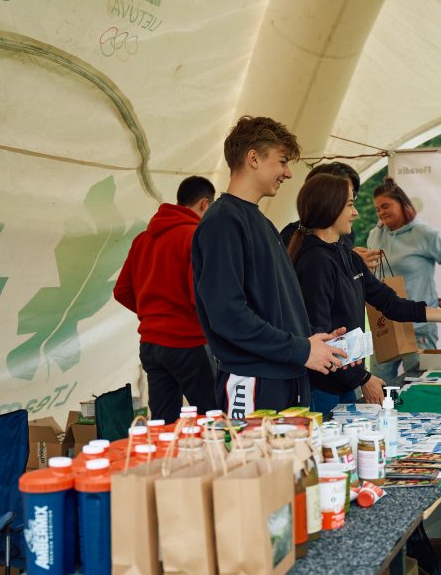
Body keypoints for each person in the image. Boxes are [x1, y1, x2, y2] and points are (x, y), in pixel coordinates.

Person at [289, 173, 441, 412]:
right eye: (350, 205)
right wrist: (363, 378)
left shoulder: (347, 255)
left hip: (344, 381)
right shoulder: (315, 262)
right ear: (330, 207)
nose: (356, 213)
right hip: (322, 389)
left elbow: (392, 304)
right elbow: (321, 337)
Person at [191, 116, 347, 417]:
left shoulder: (259, 222)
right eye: (282, 161)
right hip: (253, 382)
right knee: (256, 465)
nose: (288, 173)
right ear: (253, 158)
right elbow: (228, 315)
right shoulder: (224, 222)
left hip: (284, 379)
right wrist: (301, 350)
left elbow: (273, 307)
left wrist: (310, 341)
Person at [114, 176, 219, 422]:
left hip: (151, 344)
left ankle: (163, 461)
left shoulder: (143, 239)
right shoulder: (195, 236)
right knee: (214, 419)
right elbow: (200, 298)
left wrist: (152, 314)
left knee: (162, 422)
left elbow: (122, 291)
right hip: (188, 342)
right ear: (205, 204)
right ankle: (220, 462)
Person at [366, 177, 441, 379]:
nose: (381, 212)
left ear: (403, 204)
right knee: (378, 389)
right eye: (377, 209)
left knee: (420, 387)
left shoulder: (424, 234)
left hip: (419, 327)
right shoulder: (374, 235)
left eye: (385, 206)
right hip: (385, 326)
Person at [280, 161, 381, 270]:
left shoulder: (347, 234)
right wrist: (350, 263)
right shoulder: (292, 234)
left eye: (353, 194)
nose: (354, 211)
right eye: (340, 192)